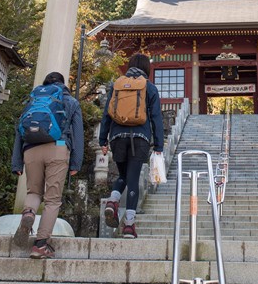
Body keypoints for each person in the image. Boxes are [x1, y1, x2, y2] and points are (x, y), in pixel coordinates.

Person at [11, 71, 83, 258]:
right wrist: (76, 163)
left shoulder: (32, 101)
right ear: (63, 83)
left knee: (34, 192)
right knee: (52, 199)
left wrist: (17, 162)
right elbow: (78, 134)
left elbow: (19, 131)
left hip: (31, 150)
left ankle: (29, 213)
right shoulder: (70, 102)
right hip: (58, 148)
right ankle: (41, 244)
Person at [99, 53, 164, 239]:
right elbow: (156, 118)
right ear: (147, 68)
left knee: (123, 175)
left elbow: (107, 114)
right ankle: (129, 225)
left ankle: (113, 200)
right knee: (133, 178)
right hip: (140, 137)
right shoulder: (149, 87)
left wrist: (102, 140)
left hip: (117, 136)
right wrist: (159, 144)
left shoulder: (117, 85)